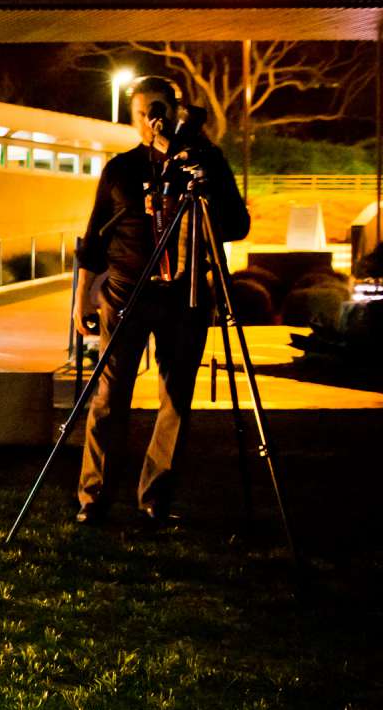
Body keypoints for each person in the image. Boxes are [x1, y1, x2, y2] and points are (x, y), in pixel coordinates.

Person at [72, 76, 250, 530]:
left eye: (156, 111)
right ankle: (94, 497)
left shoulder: (204, 162)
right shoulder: (122, 169)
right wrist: (82, 299)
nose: (148, 122)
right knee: (110, 397)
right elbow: (94, 240)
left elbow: (236, 225)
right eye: (139, 114)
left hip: (185, 296)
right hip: (125, 294)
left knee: (175, 399)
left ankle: (155, 497)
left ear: (173, 111)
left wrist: (204, 179)